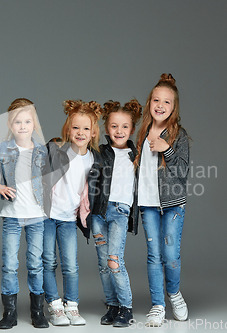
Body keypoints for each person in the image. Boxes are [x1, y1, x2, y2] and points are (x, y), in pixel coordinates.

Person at [0, 98, 49, 329]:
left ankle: (37, 311)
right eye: (17, 122)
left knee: (35, 263)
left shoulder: (42, 151)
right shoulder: (5, 149)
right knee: (9, 264)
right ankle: (9, 312)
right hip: (12, 215)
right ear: (10, 125)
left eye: (27, 121)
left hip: (37, 216)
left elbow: (51, 180)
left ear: (34, 124)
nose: (23, 126)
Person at [134, 74, 190, 327]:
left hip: (172, 205)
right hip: (148, 204)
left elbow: (183, 171)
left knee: (170, 254)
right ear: (149, 103)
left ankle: (174, 294)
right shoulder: (142, 132)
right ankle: (157, 305)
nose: (160, 105)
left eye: (166, 102)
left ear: (173, 107)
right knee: (154, 255)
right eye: (156, 100)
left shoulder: (178, 134)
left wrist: (166, 147)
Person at [42, 100, 102, 326]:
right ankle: (55, 306)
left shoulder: (94, 159)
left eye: (86, 128)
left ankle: (72, 306)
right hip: (47, 216)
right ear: (68, 129)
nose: (80, 132)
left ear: (93, 132)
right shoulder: (57, 150)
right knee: (48, 261)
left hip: (68, 219)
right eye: (76, 127)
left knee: (71, 265)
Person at [91, 99, 142, 327]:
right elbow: (76, 156)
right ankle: (112, 306)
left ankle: (126, 308)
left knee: (114, 260)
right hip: (98, 213)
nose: (119, 131)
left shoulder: (137, 154)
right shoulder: (99, 153)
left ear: (132, 129)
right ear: (106, 128)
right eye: (114, 126)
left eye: (124, 126)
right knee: (103, 263)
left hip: (120, 212)